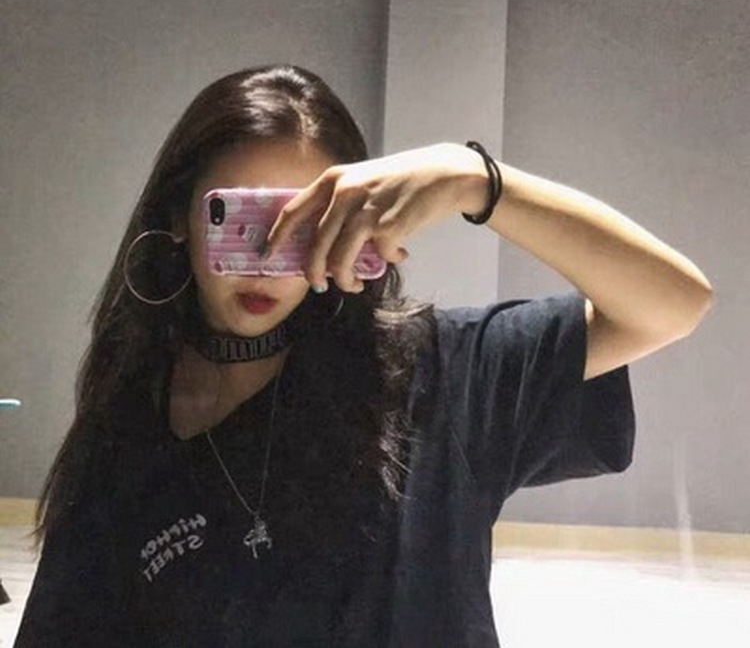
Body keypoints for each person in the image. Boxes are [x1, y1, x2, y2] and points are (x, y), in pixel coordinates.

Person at [14, 64, 712, 647]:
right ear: (179, 218)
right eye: (239, 219)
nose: (263, 261)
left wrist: (474, 181)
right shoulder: (129, 432)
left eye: (300, 225)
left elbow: (673, 304)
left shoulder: (438, 376)